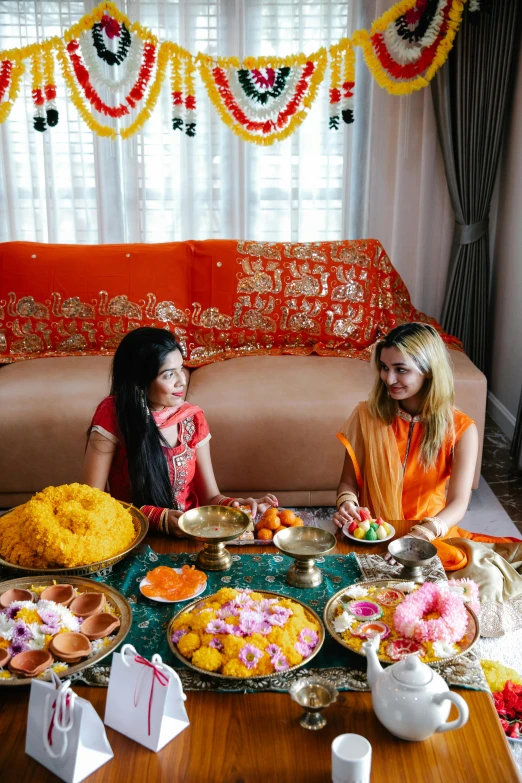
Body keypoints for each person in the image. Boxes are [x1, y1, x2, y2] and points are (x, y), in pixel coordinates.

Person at [83, 327, 277, 536]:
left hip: (190, 534)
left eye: (181, 368)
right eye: (168, 375)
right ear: (140, 381)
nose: (182, 381)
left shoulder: (192, 418)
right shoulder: (113, 414)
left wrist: (237, 505)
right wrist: (157, 518)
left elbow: (211, 498)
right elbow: (91, 501)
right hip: (132, 534)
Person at [332, 322, 479, 543]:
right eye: (384, 367)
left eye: (401, 370)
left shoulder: (461, 429)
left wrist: (426, 532)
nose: (388, 379)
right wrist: (348, 504)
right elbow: (348, 483)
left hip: (429, 533)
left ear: (429, 370)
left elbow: (458, 502)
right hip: (371, 532)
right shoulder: (366, 416)